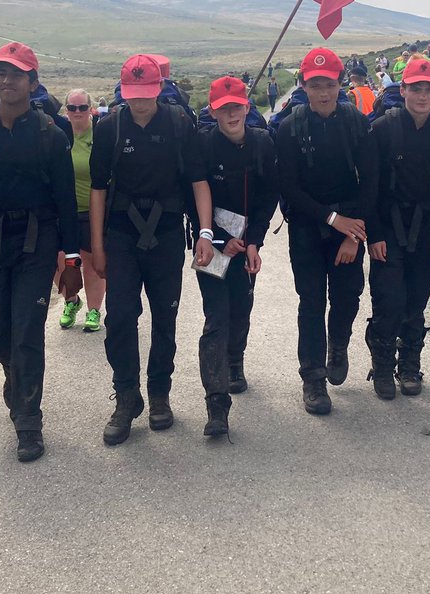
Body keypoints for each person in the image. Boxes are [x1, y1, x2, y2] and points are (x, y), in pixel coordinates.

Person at [0, 43, 82, 462]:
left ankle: (28, 422)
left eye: (16, 74)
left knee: (26, 331)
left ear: (32, 82)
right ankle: (14, 375)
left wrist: (72, 260)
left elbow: (64, 202)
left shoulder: (50, 133)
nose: (7, 80)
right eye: (0, 72)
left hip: (38, 240)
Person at [90, 53, 214, 446]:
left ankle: (160, 393)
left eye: (146, 93)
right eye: (132, 94)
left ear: (158, 88)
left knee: (166, 316)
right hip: (122, 234)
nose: (139, 101)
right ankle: (127, 396)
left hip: (166, 233)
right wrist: (96, 245)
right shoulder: (109, 127)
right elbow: (97, 189)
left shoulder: (179, 124)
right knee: (121, 316)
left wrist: (205, 233)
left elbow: (198, 180)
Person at [275, 47, 376, 416]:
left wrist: (352, 234)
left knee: (348, 296)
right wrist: (333, 221)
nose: (322, 92)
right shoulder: (289, 127)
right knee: (311, 301)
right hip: (307, 225)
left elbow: (370, 181)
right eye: (315, 84)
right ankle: (313, 378)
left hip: (351, 223)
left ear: (340, 84)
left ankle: (339, 344)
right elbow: (289, 188)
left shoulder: (356, 122)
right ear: (303, 85)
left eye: (329, 84)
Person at [365, 56, 430, 399]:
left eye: (429, 89)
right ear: (403, 89)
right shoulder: (382, 128)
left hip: (423, 222)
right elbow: (369, 187)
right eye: (415, 88)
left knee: (417, 296)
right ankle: (381, 364)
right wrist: (374, 234)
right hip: (387, 224)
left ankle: (409, 363)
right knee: (388, 295)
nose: (422, 96)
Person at [193, 76, 279, 435]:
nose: (231, 113)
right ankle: (216, 404)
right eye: (223, 108)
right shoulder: (201, 145)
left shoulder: (263, 144)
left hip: (247, 245)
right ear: (213, 111)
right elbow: (193, 197)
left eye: (237, 106)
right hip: (210, 244)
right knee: (216, 316)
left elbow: (267, 197)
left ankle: (235, 361)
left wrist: (253, 241)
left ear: (247, 106)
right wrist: (218, 239)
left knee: (241, 306)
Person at [57, 88, 105, 333]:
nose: (77, 112)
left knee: (90, 261)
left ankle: (94, 310)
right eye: (72, 108)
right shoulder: (58, 134)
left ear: (91, 109)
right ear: (66, 110)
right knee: (58, 262)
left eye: (82, 107)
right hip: (62, 209)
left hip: (92, 210)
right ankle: (71, 301)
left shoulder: (99, 135)